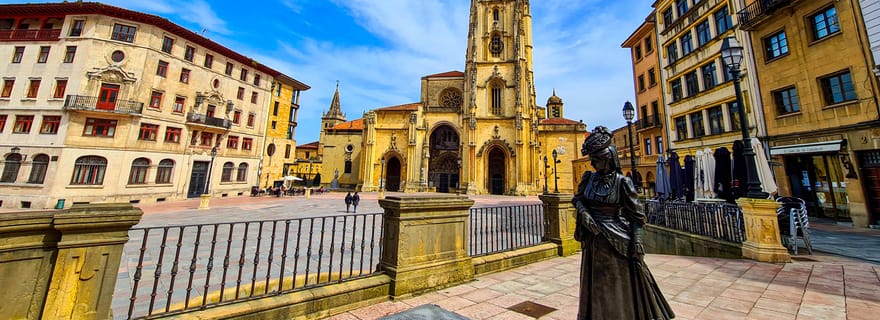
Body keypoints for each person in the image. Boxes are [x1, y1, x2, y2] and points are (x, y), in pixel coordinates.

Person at [573, 126, 674, 320]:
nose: (593, 163)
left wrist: (637, 242)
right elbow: (578, 199)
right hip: (594, 244)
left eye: (596, 159)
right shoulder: (589, 179)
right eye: (592, 159)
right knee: (596, 286)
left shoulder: (622, 182)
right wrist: (584, 213)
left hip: (617, 243)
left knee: (617, 286)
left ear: (608, 158)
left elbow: (637, 216)